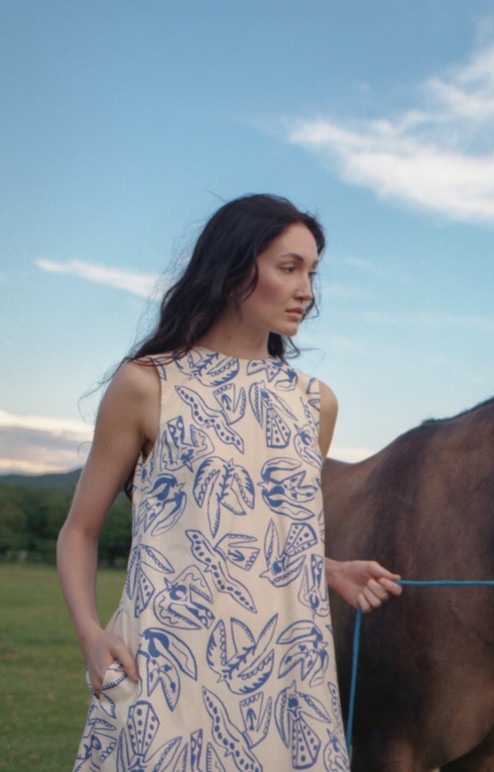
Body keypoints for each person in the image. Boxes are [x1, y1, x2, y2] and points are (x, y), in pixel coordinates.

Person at [57, 194, 401, 771]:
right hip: (168, 671)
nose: (306, 290)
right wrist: (91, 634)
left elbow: (265, 537)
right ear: (233, 268)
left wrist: (328, 568)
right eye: (288, 268)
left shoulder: (315, 404)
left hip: (286, 679)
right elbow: (79, 531)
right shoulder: (148, 385)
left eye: (311, 273)